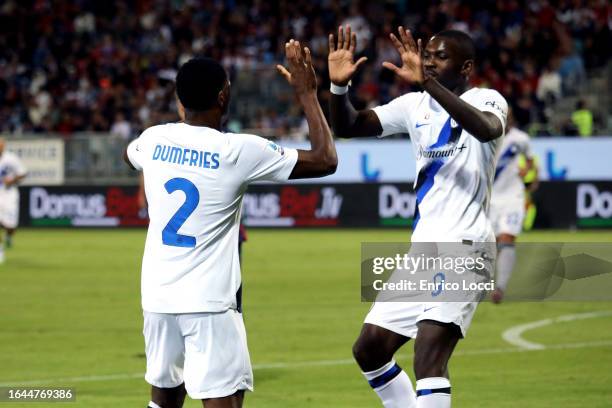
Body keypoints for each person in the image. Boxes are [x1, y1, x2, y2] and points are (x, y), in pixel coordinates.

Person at [124, 41, 337, 408]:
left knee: (164, 399)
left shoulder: (152, 139)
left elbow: (136, 158)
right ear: (224, 97)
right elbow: (326, 159)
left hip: (156, 299)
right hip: (208, 302)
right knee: (224, 402)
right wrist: (306, 94)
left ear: (178, 99)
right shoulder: (239, 150)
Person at [328, 26, 507, 407]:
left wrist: (429, 85)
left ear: (467, 66)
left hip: (465, 246)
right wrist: (339, 88)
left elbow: (486, 129)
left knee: (428, 355)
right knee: (370, 349)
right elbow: (348, 126)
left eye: (440, 57)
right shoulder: (413, 107)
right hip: (424, 251)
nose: (429, 63)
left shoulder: (488, 99)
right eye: (428, 57)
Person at [489, 110, 537, 303]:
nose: (506, 120)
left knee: (507, 239)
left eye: (508, 117)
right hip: (490, 198)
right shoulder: (486, 136)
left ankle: (500, 288)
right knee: (491, 244)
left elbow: (531, 161)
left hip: (513, 197)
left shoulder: (521, 139)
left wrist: (528, 170)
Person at [0, 138, 27, 262]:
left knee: (11, 225)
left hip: (10, 194)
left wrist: (12, 180)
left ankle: (9, 236)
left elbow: (23, 173)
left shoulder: (11, 159)